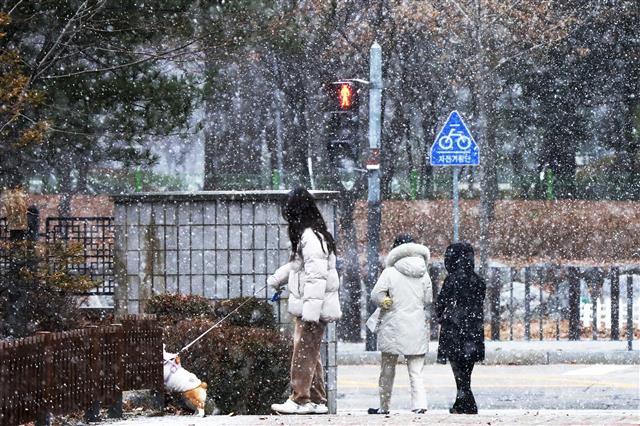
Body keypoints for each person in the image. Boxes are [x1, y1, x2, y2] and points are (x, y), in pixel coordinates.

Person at [268, 187, 342, 415]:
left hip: (312, 309)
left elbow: (316, 277)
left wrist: (310, 314)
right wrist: (276, 279)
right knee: (310, 353)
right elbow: (298, 267)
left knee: (302, 352)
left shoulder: (310, 237)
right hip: (313, 307)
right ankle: (317, 400)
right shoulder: (314, 235)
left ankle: (300, 399)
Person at [367, 234, 432, 415]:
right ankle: (420, 404)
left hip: (392, 325)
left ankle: (384, 406)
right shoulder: (423, 273)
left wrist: (386, 301)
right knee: (416, 370)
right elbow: (428, 299)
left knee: (387, 369)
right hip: (416, 325)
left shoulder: (389, 272)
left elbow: (376, 295)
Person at [435, 242, 486, 414]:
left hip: (454, 329)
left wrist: (440, 314)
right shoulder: (478, 280)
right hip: (473, 328)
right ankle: (462, 402)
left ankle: (467, 402)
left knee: (458, 369)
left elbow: (441, 302)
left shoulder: (452, 279)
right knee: (467, 369)